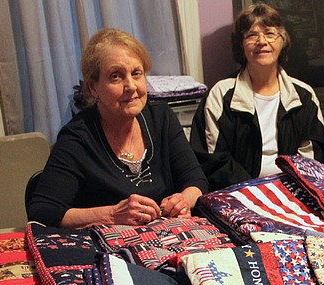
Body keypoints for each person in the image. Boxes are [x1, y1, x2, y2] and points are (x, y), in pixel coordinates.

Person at [27, 28, 208, 228]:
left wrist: (184, 200)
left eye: (136, 74)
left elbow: (196, 180)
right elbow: (43, 212)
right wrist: (112, 215)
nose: (130, 85)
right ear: (93, 87)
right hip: (109, 249)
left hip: (168, 238)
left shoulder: (161, 117)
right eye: (116, 76)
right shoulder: (77, 138)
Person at [190, 2, 324, 191]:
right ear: (241, 44)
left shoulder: (304, 95)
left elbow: (315, 154)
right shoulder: (220, 95)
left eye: (270, 33)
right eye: (251, 35)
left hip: (294, 189)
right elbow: (212, 159)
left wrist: (288, 189)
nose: (262, 41)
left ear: (282, 41)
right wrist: (257, 191)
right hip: (239, 192)